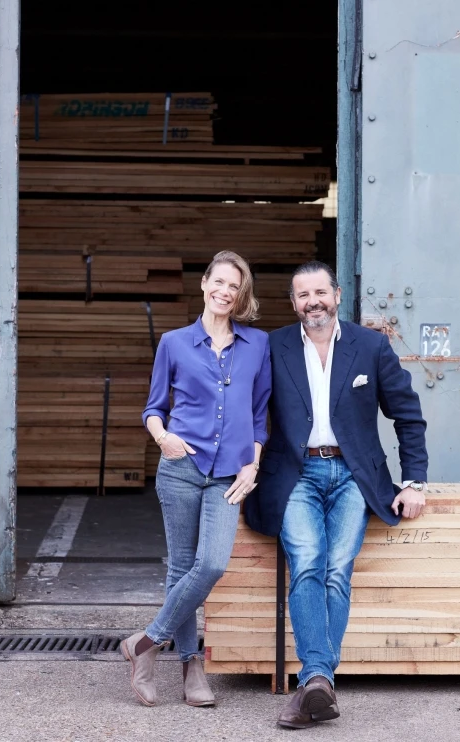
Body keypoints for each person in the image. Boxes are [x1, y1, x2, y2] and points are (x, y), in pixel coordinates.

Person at [244, 261, 428, 730]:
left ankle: (314, 684)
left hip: (353, 476)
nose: (313, 302)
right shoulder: (273, 345)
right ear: (293, 303)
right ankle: (320, 679)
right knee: (308, 560)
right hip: (295, 473)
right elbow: (243, 408)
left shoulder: (370, 346)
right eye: (303, 295)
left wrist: (413, 482)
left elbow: (407, 414)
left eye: (320, 292)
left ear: (337, 294)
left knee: (336, 571)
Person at [121, 250, 271, 708]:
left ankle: (143, 643)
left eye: (234, 287)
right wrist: (162, 436)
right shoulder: (174, 342)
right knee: (181, 568)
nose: (225, 292)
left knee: (211, 565)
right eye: (219, 282)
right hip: (181, 468)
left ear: (241, 295)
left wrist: (254, 463)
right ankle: (192, 669)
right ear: (204, 283)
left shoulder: (258, 344)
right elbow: (152, 407)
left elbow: (261, 413)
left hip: (230, 474)